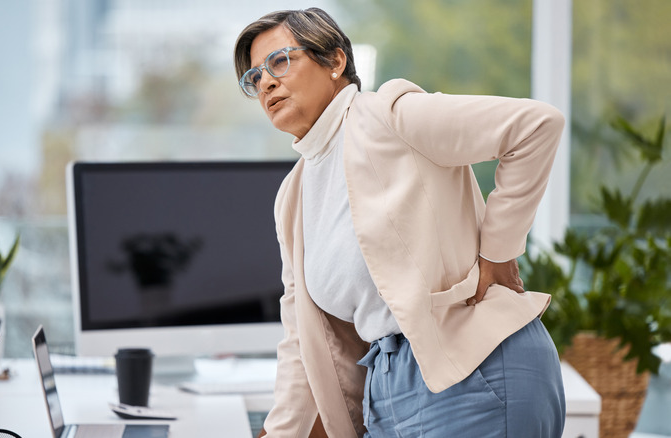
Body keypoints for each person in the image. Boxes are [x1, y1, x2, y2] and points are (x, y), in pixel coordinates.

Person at [234, 7, 566, 438]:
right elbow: (300, 339)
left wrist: (499, 251)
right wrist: (280, 433)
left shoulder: (388, 115)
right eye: (254, 78)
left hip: (474, 369)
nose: (267, 83)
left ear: (335, 61)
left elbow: (537, 126)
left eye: (279, 61)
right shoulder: (292, 197)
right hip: (385, 392)